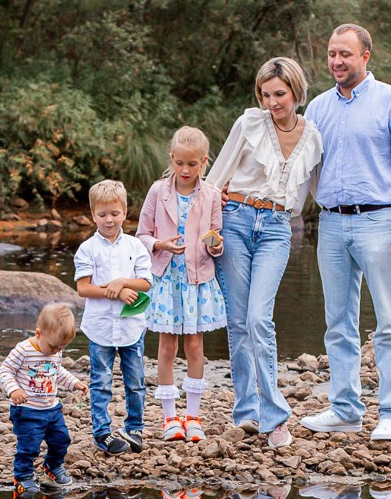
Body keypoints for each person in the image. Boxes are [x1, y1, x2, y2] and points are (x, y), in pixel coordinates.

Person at [300, 24, 391, 443]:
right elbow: (299, 168)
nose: (337, 61)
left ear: (365, 57)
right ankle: (345, 409)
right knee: (337, 322)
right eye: (331, 54)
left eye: (345, 54)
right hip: (331, 223)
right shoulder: (318, 108)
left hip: (380, 221)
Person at [207, 57, 325, 450]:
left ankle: (276, 417)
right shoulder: (249, 124)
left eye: (280, 94)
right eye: (265, 94)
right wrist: (205, 228)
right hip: (235, 221)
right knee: (238, 323)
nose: (272, 102)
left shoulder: (314, 137)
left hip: (276, 229)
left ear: (296, 91)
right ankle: (247, 415)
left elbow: (313, 193)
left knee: (260, 317)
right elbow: (215, 180)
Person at [139, 127, 226, 443]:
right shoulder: (158, 191)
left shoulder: (212, 194)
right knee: (167, 346)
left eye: (192, 164)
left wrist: (215, 246)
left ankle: (193, 416)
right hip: (167, 280)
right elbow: (142, 235)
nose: (185, 171)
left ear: (203, 162)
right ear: (171, 160)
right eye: (179, 164)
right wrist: (160, 244)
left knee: (194, 347)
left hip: (197, 281)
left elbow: (216, 236)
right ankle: (169, 418)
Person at [73, 180, 153, 454]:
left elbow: (145, 282)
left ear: (125, 212)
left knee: (135, 382)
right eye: (102, 214)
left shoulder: (135, 246)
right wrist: (114, 291)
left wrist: (123, 282)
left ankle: (135, 428)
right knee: (101, 382)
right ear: (93, 214)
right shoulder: (87, 249)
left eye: (115, 214)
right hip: (101, 328)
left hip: (132, 327)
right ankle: (102, 433)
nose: (109, 220)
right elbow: (83, 288)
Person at [0, 302, 84, 496]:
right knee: (29, 446)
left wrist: (74, 383)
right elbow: (5, 370)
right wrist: (14, 390)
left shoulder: (55, 350)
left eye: (60, 348)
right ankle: (22, 476)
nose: (55, 352)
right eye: (53, 346)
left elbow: (57, 371)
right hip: (27, 409)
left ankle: (53, 467)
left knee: (62, 439)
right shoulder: (23, 350)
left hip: (51, 408)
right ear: (38, 333)